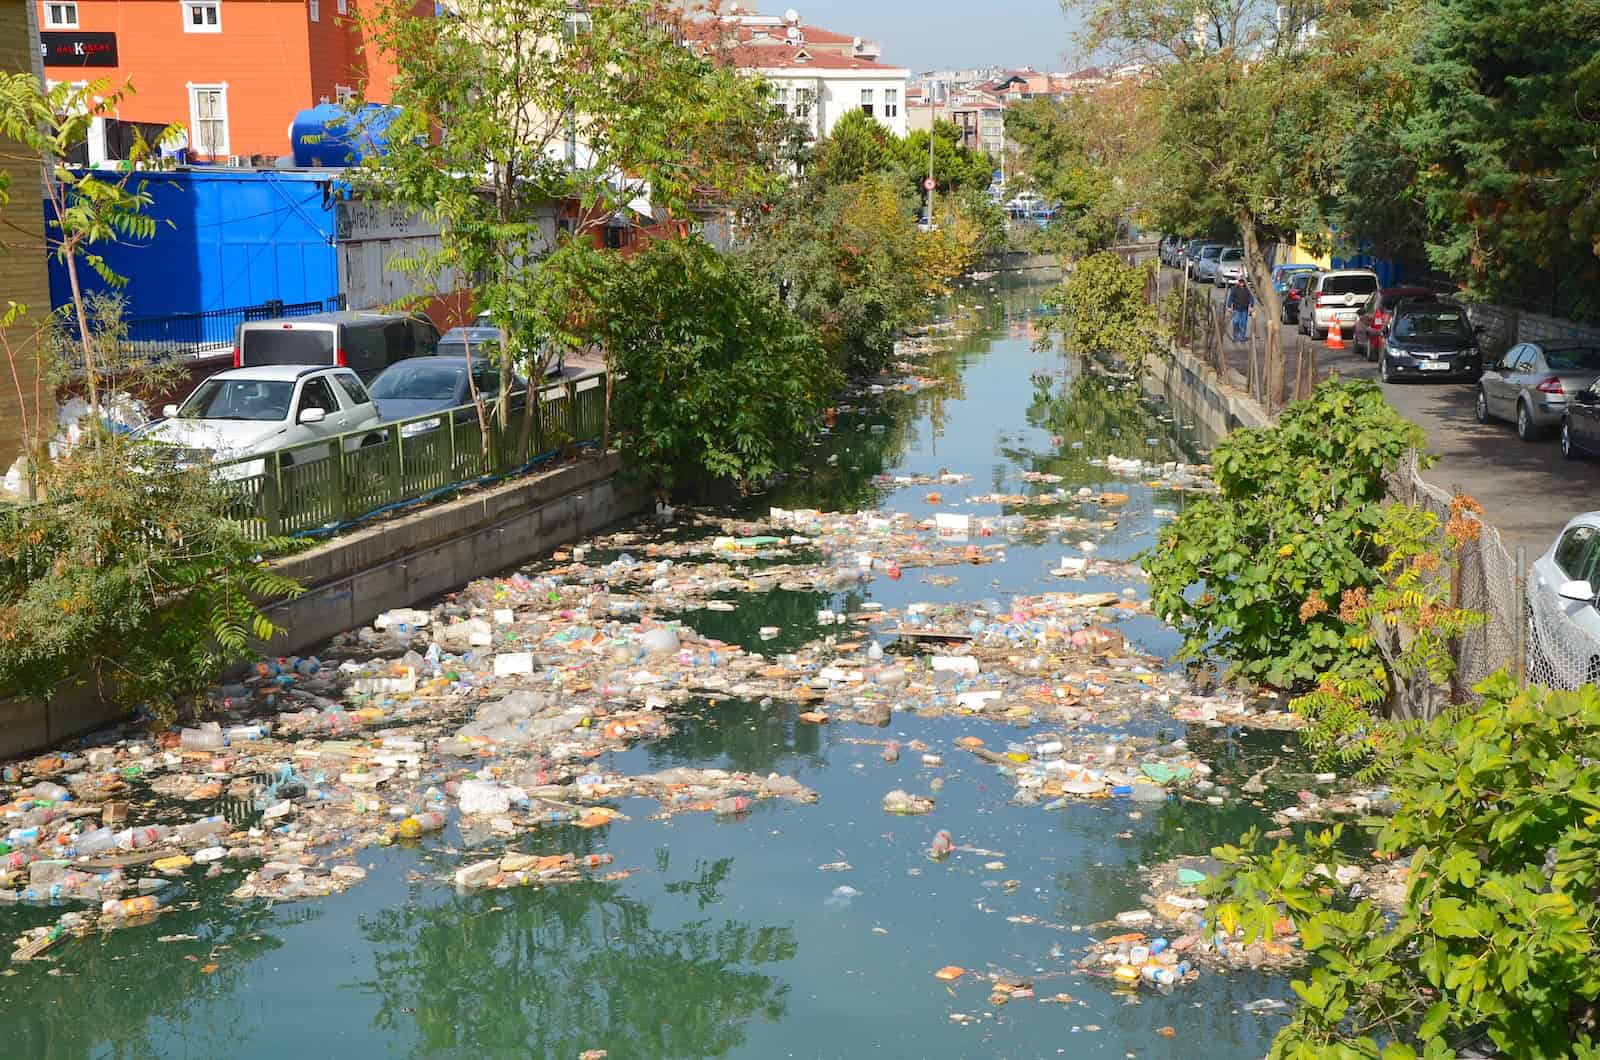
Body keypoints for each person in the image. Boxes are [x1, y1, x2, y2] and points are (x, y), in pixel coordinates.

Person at [1227, 277, 1253, 342]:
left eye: (1243, 282)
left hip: (1245, 309)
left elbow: (1251, 298)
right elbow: (1231, 298)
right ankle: (1235, 336)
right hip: (1236, 309)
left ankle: (1242, 337)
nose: (1242, 283)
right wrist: (1229, 306)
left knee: (1243, 323)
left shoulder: (1247, 290)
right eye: (1240, 282)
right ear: (1238, 282)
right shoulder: (1234, 289)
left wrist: (1251, 305)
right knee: (1236, 322)